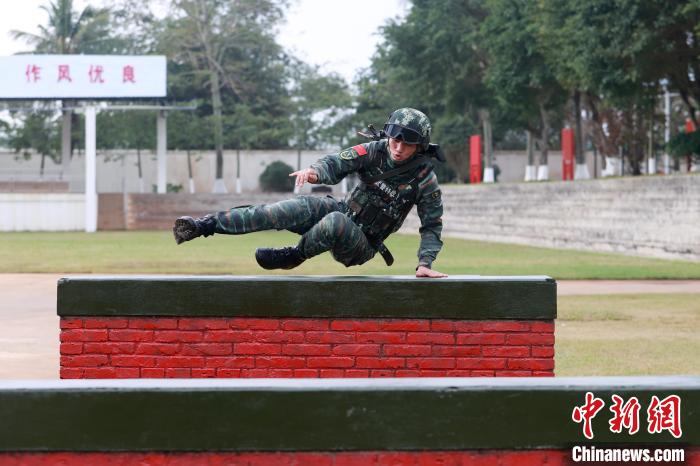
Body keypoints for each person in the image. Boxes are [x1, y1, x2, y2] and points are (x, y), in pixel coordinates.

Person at [173, 107, 447, 278]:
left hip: (362, 243)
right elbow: (336, 162)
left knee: (335, 223)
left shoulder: (424, 179)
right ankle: (204, 225)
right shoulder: (373, 151)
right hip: (343, 210)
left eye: (407, 144)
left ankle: (294, 256)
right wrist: (315, 172)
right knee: (285, 210)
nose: (398, 148)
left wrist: (425, 262)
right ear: (389, 136)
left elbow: (432, 224)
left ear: (420, 146)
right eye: (395, 140)